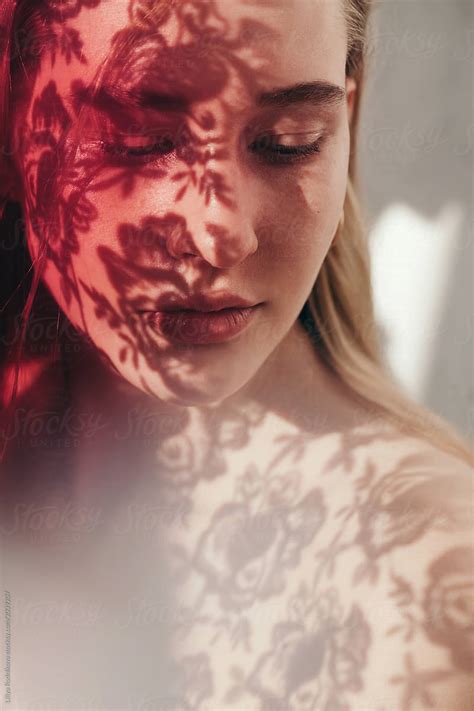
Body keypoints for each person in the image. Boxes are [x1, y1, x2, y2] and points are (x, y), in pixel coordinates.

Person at [0, 0, 472, 709]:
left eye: (290, 141)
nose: (221, 232)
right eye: (138, 138)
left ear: (350, 116)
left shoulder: (421, 594)